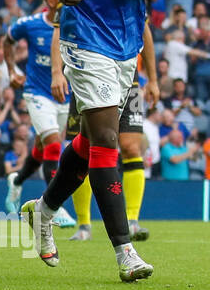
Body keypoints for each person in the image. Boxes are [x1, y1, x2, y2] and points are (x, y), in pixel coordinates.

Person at [17, 0, 187, 282]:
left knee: (93, 142)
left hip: (128, 39)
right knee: (109, 138)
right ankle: (125, 252)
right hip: (82, 36)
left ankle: (44, 211)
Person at [54, 19, 158, 243]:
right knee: (86, 146)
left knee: (131, 146)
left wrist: (153, 79)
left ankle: (132, 220)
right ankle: (84, 224)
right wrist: (57, 71)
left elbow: (145, 30)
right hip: (88, 71)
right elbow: (58, 28)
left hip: (128, 76)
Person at [1, 0, 68, 215]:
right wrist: (12, 71)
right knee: (53, 144)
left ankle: (17, 180)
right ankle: (53, 205)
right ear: (50, 0)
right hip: (37, 92)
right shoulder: (30, 24)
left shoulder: (75, 24)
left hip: (64, 96)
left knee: (42, 145)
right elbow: (8, 40)